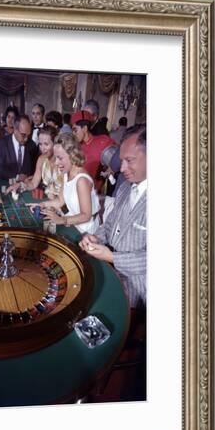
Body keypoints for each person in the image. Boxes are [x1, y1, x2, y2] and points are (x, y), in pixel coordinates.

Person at [79, 124, 147, 308]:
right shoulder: (125, 186)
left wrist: (113, 257)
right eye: (121, 160)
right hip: (113, 276)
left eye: (130, 160)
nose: (122, 167)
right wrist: (96, 237)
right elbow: (109, 224)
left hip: (140, 293)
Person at [34, 133, 100, 234]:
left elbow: (86, 215)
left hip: (86, 231)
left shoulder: (81, 180)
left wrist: (62, 220)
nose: (56, 163)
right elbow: (60, 201)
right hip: (72, 224)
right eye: (56, 158)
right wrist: (42, 204)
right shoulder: (66, 174)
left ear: (72, 155)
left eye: (60, 158)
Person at [5, 126, 62, 199]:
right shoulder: (41, 160)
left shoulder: (63, 161)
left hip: (62, 204)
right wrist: (19, 185)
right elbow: (33, 183)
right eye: (40, 144)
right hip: (49, 201)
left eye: (46, 144)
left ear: (55, 143)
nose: (42, 148)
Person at [71, 110, 116, 189]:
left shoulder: (103, 141)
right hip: (79, 188)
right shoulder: (75, 146)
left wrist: (111, 168)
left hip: (97, 191)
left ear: (85, 128)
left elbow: (118, 158)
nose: (73, 134)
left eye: (75, 130)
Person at [0, 115, 39, 181]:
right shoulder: (2, 143)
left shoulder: (32, 145)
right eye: (23, 135)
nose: (26, 139)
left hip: (25, 186)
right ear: (15, 130)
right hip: (6, 184)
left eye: (28, 135)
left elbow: (34, 168)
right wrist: (16, 177)